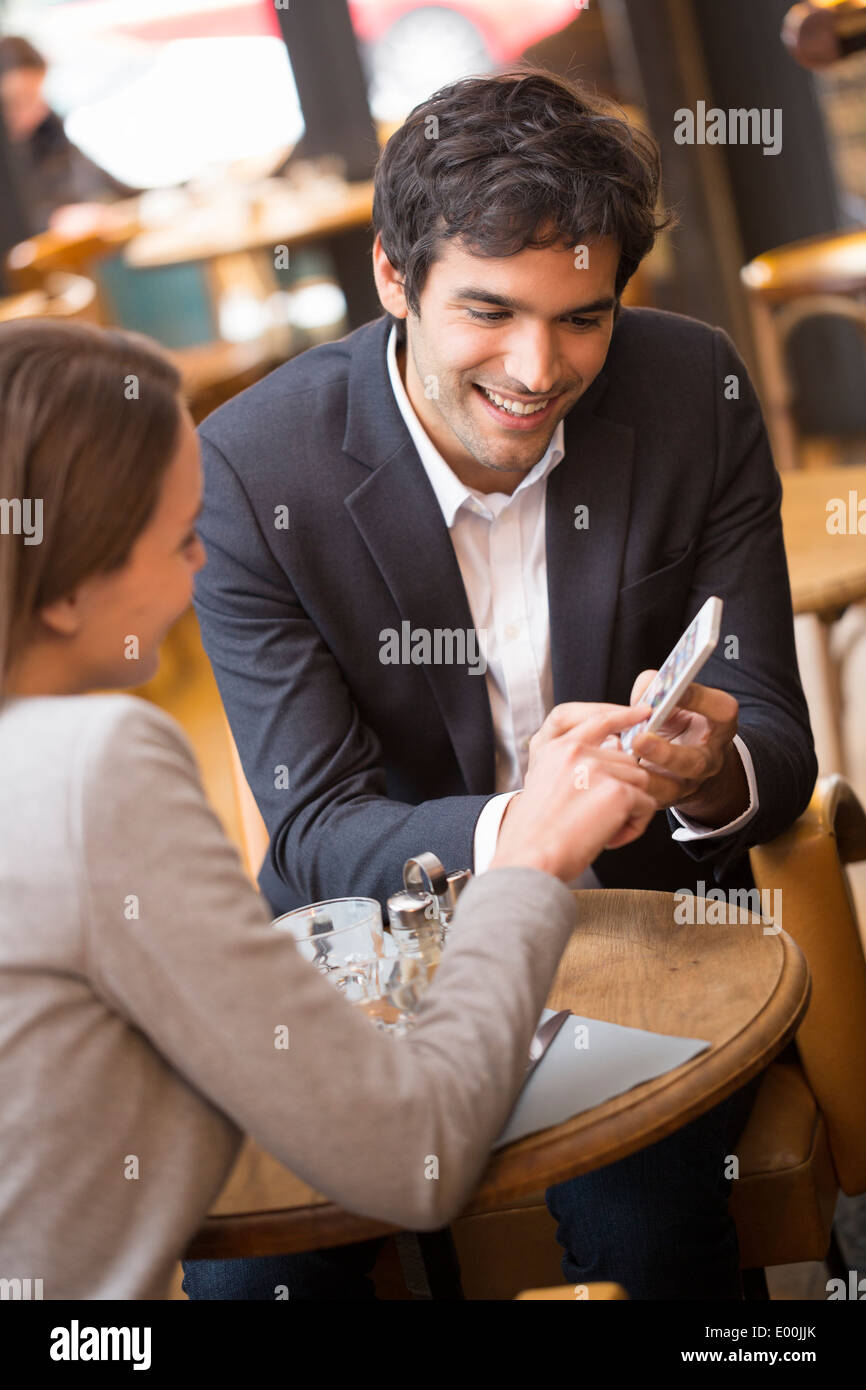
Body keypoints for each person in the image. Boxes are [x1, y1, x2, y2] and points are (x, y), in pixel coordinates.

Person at [189, 68, 817, 1299]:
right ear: (390, 279)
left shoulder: (692, 391)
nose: (537, 368)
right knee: (249, 1287)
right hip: (380, 966)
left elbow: (776, 744)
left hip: (646, 946)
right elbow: (313, 826)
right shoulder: (255, 469)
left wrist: (706, 769)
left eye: (582, 317)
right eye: (488, 312)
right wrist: (527, 831)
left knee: (649, 1238)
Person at [0, 316, 658, 1300]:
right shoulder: (91, 767)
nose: (203, 570)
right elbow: (414, 1155)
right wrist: (526, 862)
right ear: (66, 586)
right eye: (181, 537)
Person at [0, 35, 139, 236]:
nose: (32, 112)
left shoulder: (49, 134)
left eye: (34, 97)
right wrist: (52, 220)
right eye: (15, 102)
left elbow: (114, 187)